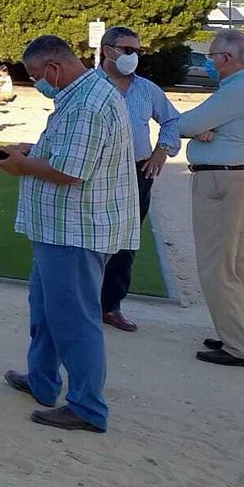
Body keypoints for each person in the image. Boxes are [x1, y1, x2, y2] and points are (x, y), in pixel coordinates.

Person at [0, 35, 137, 433]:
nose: (38, 83)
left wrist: (23, 165)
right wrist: (32, 150)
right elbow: (68, 154)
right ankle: (42, 380)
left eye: (38, 76)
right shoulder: (82, 96)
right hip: (60, 228)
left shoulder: (88, 104)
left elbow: (72, 172)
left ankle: (88, 407)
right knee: (46, 310)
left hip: (76, 231)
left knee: (75, 320)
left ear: (53, 68)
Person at [175, 28, 244, 368]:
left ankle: (239, 346)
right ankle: (241, 335)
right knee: (235, 263)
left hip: (223, 180)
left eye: (212, 56)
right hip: (235, 177)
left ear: (227, 59)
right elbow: (200, 125)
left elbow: (187, 123)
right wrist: (201, 131)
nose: (209, 60)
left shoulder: (238, 90)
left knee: (218, 265)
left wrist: (195, 130)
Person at [96, 26, 181, 332]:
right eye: (129, 50)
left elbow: (172, 119)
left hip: (138, 171)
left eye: (138, 51)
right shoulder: (88, 85)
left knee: (127, 240)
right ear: (108, 51)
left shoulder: (147, 89)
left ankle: (111, 306)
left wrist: (162, 150)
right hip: (96, 172)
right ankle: (82, 302)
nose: (135, 56)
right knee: (89, 236)